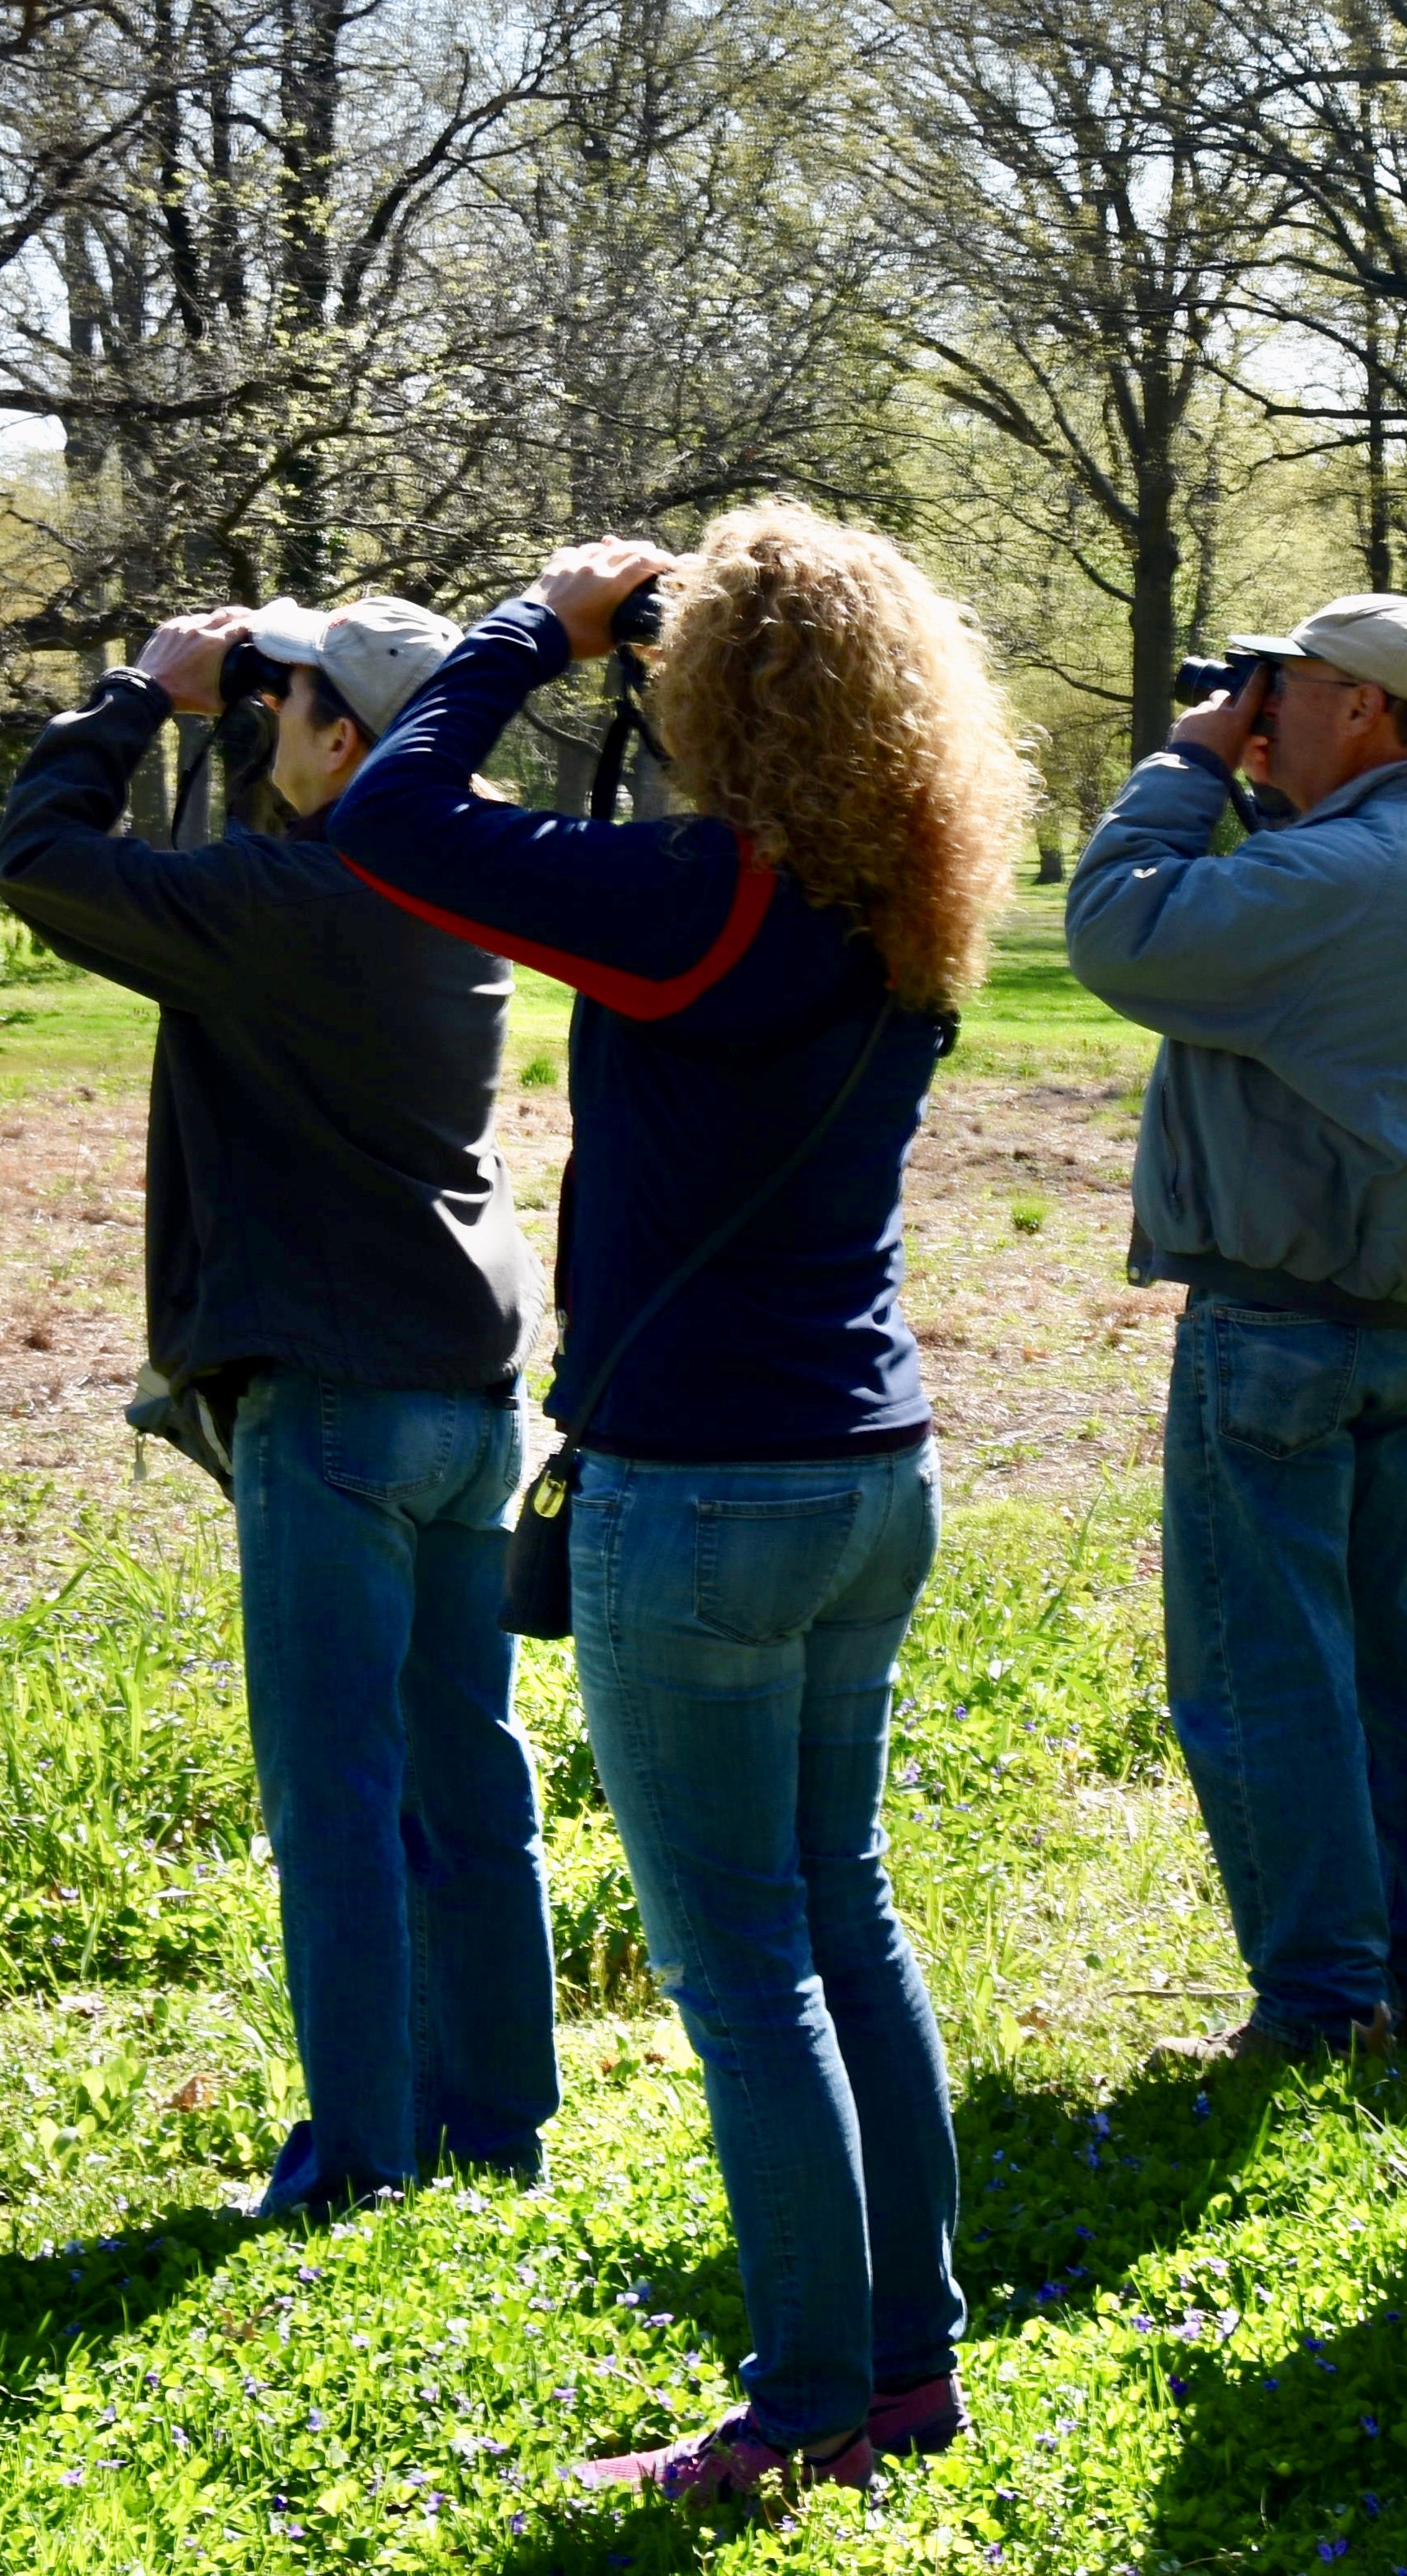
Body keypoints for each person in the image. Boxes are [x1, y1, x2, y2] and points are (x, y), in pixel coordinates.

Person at [329, 506, 1032, 2506]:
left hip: (703, 1495)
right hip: (866, 1468)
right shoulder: (902, 898)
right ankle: (905, 2373)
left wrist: (534, 632)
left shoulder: (696, 900)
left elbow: (392, 816)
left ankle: (804, 2402)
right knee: (843, 1911)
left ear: (712, 694)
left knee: (742, 1962)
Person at [0, 594, 557, 2221]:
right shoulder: (454, 897)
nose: (262, 720)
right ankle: (496, 2122)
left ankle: (364, 2156)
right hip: (472, 1394)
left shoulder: (294, 904)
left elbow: (42, 859)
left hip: (336, 1411)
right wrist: (239, 703)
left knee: (339, 1796)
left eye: (289, 702)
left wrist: (135, 700)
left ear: (353, 746)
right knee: (468, 1778)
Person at [1065, 595, 1407, 2068]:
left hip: (1280, 1324)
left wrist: (1185, 766)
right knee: (1402, 1675)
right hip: (1404, 1317)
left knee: (1264, 1672)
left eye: (1281, 686)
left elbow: (1116, 929)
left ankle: (1325, 2008)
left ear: (1365, 708)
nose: (1258, 708)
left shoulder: (1342, 865)